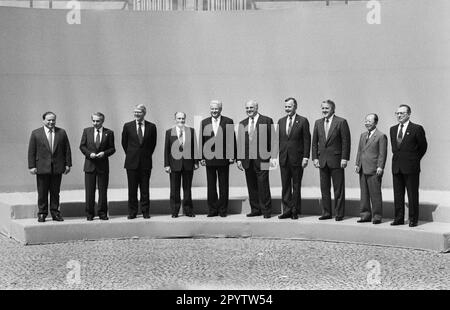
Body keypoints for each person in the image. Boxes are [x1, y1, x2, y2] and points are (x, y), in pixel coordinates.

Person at [28, 112, 72, 222]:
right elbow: (31, 151)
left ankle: (55, 213)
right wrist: (32, 166)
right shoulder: (36, 133)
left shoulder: (61, 132)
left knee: (55, 192)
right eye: (49, 120)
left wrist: (68, 164)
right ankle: (42, 213)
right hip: (42, 167)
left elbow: (67, 149)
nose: (51, 122)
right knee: (42, 192)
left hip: (57, 167)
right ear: (43, 120)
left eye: (53, 120)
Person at [312, 100, 351, 221]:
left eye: (327, 108)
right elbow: (314, 143)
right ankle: (326, 213)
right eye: (323, 108)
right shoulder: (318, 123)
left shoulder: (341, 122)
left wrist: (344, 158)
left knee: (338, 189)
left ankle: (339, 214)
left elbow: (346, 142)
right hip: (322, 160)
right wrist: (315, 158)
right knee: (324, 189)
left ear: (333, 109)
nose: (324, 111)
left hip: (337, 160)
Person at [237, 100, 276, 219]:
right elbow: (240, 143)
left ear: (257, 107)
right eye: (247, 108)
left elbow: (273, 140)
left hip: (263, 159)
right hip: (248, 160)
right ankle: (255, 209)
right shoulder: (242, 123)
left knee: (263, 184)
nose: (249, 110)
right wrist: (239, 159)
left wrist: (273, 157)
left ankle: (266, 211)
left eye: (251, 107)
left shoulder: (267, 120)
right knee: (251, 185)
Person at [390, 104, 427, 227]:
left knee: (412, 194)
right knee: (398, 194)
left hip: (411, 167)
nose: (399, 115)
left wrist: (414, 159)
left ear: (409, 114)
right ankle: (399, 218)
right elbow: (395, 148)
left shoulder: (417, 129)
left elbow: (423, 147)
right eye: (397, 113)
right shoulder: (393, 129)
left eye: (402, 113)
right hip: (397, 167)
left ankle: (413, 219)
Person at [200, 100, 236, 217]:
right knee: (211, 186)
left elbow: (232, 140)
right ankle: (212, 210)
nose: (214, 111)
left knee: (223, 185)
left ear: (220, 109)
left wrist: (232, 156)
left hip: (224, 158)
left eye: (216, 109)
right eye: (212, 109)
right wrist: (201, 157)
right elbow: (202, 140)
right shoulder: (204, 122)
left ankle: (223, 210)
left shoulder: (228, 121)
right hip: (209, 158)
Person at [121, 104, 157, 219]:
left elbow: (152, 144)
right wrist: (132, 154)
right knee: (132, 189)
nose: (136, 114)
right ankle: (132, 212)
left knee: (145, 189)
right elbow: (124, 143)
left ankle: (145, 211)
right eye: (135, 112)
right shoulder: (128, 126)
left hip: (145, 162)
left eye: (139, 112)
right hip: (131, 162)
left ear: (144, 113)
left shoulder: (151, 127)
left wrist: (144, 155)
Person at [277, 97, 311, 220]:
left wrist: (306, 157)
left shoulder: (303, 121)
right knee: (285, 186)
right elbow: (278, 140)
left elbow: (307, 140)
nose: (287, 109)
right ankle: (286, 210)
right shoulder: (280, 121)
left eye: (289, 106)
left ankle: (295, 211)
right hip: (284, 158)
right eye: (286, 106)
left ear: (295, 106)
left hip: (297, 159)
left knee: (296, 185)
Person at [79, 112, 116, 221]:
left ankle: (102, 213)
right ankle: (90, 213)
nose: (95, 123)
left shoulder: (109, 133)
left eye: (98, 121)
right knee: (89, 191)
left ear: (102, 121)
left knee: (102, 191)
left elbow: (112, 148)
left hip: (103, 166)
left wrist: (104, 153)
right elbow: (82, 146)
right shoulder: (87, 131)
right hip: (89, 166)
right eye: (93, 121)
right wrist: (89, 154)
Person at [164, 112, 199, 218]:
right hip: (174, 165)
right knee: (174, 189)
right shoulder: (169, 132)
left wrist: (196, 162)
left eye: (183, 118)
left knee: (187, 188)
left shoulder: (191, 131)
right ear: (175, 119)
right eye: (179, 118)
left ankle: (188, 210)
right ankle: (175, 211)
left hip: (188, 164)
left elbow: (194, 147)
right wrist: (167, 164)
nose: (181, 120)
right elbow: (166, 149)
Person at [355, 113, 387, 224]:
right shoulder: (363, 135)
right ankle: (365, 215)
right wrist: (357, 164)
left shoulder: (381, 136)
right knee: (364, 194)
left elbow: (382, 153)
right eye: (366, 121)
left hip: (374, 169)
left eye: (369, 121)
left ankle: (377, 216)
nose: (367, 123)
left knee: (375, 193)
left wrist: (380, 166)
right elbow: (360, 151)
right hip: (363, 168)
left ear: (376, 122)